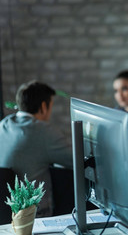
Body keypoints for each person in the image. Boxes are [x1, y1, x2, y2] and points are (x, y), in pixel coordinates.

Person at [0, 81, 73, 217]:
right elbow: (76, 161)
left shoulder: (4, 125)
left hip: (5, 217)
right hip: (34, 217)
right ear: (44, 106)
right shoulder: (42, 131)